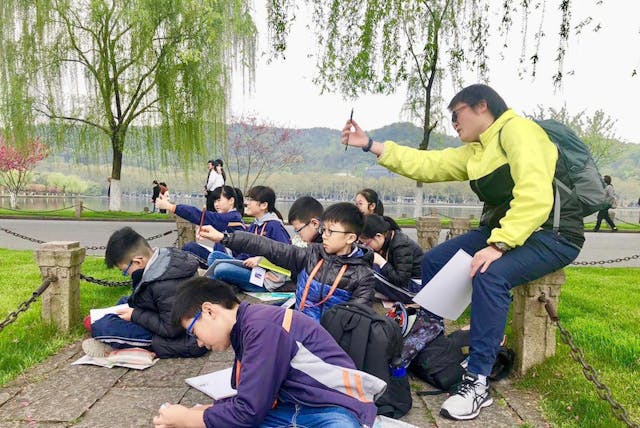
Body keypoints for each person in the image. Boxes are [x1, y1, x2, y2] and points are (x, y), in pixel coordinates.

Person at [341, 83, 584, 421]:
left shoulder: (519, 131)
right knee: (436, 261)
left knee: (491, 274)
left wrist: (499, 244)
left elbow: (535, 194)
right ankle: (429, 336)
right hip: (509, 229)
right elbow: (427, 163)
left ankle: (478, 380)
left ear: (482, 105)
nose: (453, 123)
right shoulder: (477, 150)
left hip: (551, 233)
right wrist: (370, 144)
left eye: (457, 115)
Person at [152, 278, 384, 428]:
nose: (199, 343)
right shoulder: (249, 325)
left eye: (194, 332)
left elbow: (249, 411)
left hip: (335, 407)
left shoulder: (261, 328)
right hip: (296, 406)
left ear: (209, 311)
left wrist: (187, 418)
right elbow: (255, 396)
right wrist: (210, 411)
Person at [199, 202, 376, 322]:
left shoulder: (363, 276)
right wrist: (224, 237)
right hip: (300, 327)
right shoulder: (312, 255)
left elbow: (356, 322)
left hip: (327, 342)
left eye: (331, 231)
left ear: (351, 238)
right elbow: (269, 247)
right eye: (324, 230)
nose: (324, 235)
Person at [82, 227, 207, 359]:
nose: (127, 275)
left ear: (138, 261)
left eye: (125, 271)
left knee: (104, 327)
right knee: (125, 302)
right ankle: (110, 328)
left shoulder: (165, 285)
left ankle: (112, 341)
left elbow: (171, 329)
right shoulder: (165, 258)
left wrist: (135, 315)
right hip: (167, 315)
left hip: (182, 339)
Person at [206, 185, 291, 292]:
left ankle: (213, 291)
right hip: (250, 269)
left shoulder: (275, 226)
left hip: (265, 278)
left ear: (264, 205)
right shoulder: (254, 226)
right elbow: (245, 251)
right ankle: (222, 288)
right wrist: (239, 262)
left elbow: (286, 256)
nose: (247, 203)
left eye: (251, 200)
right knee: (214, 257)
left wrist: (261, 261)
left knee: (221, 268)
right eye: (248, 199)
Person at [156, 185, 245, 268]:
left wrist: (170, 207)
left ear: (231, 201)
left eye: (219, 200)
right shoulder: (231, 217)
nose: (216, 204)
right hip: (221, 257)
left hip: (228, 263)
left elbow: (198, 215)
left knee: (189, 248)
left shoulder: (231, 217)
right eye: (214, 201)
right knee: (189, 248)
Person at [358, 214, 423, 303]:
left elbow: (401, 279)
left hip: (416, 290)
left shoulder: (401, 245)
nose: (366, 246)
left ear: (378, 236)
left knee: (370, 270)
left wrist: (382, 262)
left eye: (366, 244)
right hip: (408, 285)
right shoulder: (389, 240)